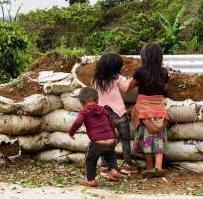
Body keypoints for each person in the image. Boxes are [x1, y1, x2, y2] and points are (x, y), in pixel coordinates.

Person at [128, 42, 169, 178]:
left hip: (144, 112)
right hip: (159, 112)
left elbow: (129, 86)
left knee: (146, 140)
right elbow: (166, 89)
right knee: (158, 139)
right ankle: (158, 167)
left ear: (144, 56)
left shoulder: (139, 71)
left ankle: (149, 167)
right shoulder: (163, 72)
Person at [93, 53, 137, 174]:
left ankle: (105, 165)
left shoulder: (96, 80)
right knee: (125, 139)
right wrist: (133, 80)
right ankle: (127, 164)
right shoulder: (117, 77)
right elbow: (126, 89)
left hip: (103, 116)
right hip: (119, 114)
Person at [68, 87, 121, 187]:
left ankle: (91, 180)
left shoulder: (84, 112)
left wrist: (71, 133)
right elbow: (111, 124)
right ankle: (114, 171)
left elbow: (78, 122)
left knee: (90, 159)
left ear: (81, 102)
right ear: (97, 100)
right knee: (110, 155)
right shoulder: (104, 110)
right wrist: (114, 136)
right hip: (111, 139)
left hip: (97, 141)